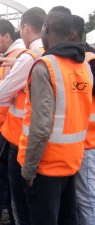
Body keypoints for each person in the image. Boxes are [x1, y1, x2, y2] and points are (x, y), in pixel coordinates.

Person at [17, 6, 93, 225]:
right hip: (72, 162)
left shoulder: (45, 66)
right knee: (68, 218)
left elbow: (41, 126)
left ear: (45, 28)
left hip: (46, 166)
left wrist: (29, 169)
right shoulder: (84, 68)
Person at [0, 7, 46, 225]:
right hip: (45, 141)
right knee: (38, 203)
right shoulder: (50, 54)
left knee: (20, 204)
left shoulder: (29, 57)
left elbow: (0, 95)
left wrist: (17, 70)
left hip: (20, 140)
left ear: (25, 27)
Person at [0, 19, 25, 225]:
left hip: (3, 131)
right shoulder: (7, 57)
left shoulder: (17, 58)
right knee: (3, 181)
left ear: (7, 36)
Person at [69, 15, 95, 225]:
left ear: (72, 34)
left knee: (86, 199)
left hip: (87, 142)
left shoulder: (87, 62)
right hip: (80, 141)